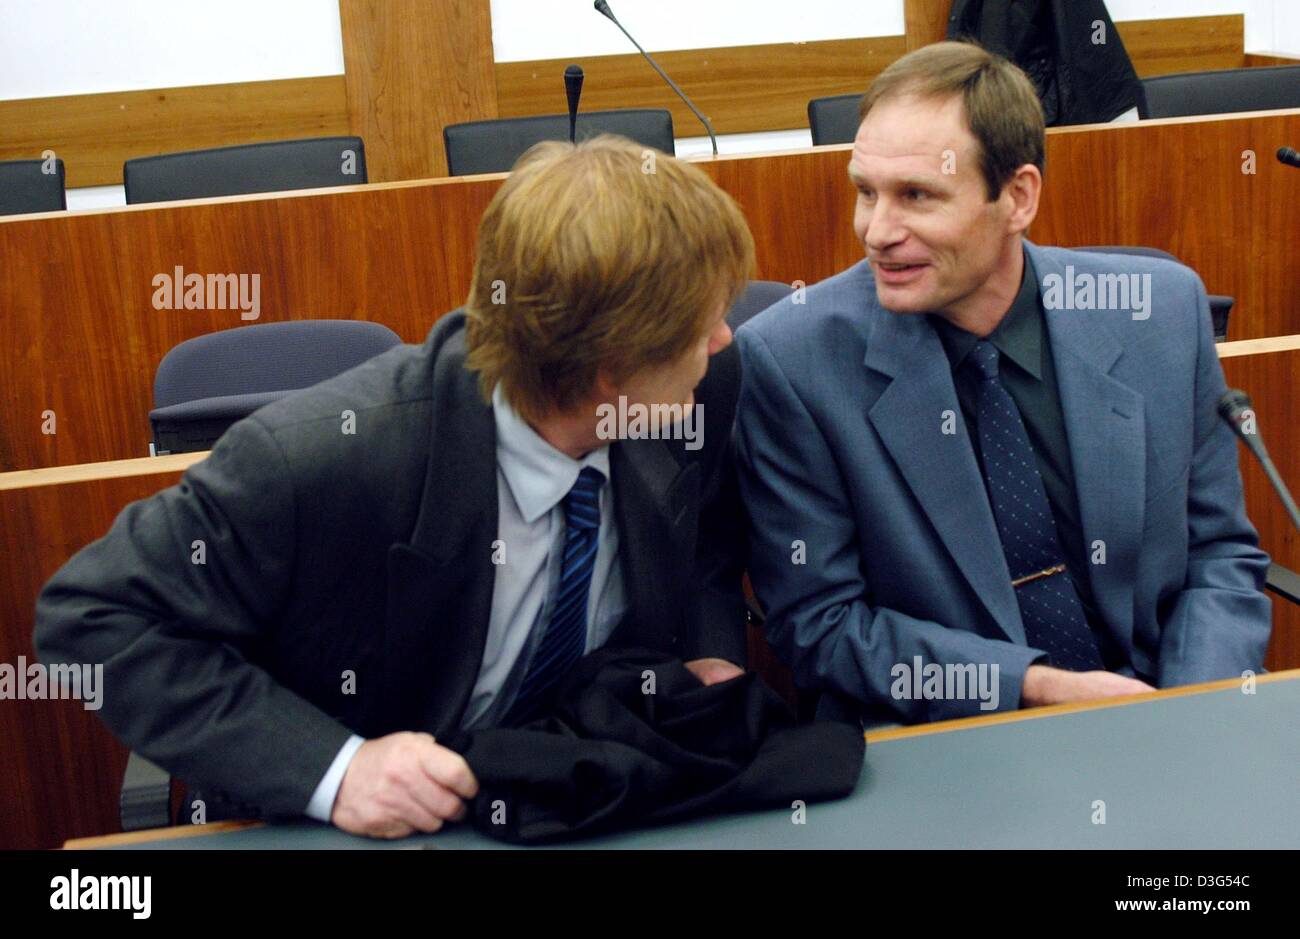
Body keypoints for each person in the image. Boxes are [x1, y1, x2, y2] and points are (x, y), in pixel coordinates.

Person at [36, 135, 755, 837]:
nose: (723, 337)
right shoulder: (320, 460)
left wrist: (707, 647)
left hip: (585, 796)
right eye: (701, 323)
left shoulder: (693, 391)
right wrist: (336, 769)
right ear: (610, 366)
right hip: (387, 828)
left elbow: (705, 538)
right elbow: (91, 614)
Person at [735, 42, 1271, 726]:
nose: (877, 230)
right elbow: (823, 626)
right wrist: (1037, 687)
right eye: (865, 193)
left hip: (1162, 711)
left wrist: (1191, 712)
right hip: (949, 737)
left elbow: (1218, 555)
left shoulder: (1159, 314)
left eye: (917, 196)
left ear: (1017, 197)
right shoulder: (793, 362)